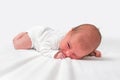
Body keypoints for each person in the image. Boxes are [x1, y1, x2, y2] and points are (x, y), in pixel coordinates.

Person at [13, 24, 102, 59]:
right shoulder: (54, 40)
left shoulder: (75, 42)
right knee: (18, 44)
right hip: (37, 36)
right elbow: (43, 48)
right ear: (69, 32)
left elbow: (80, 48)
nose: (67, 53)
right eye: (68, 45)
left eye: (75, 54)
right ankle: (23, 34)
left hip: (48, 31)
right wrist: (54, 54)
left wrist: (91, 52)